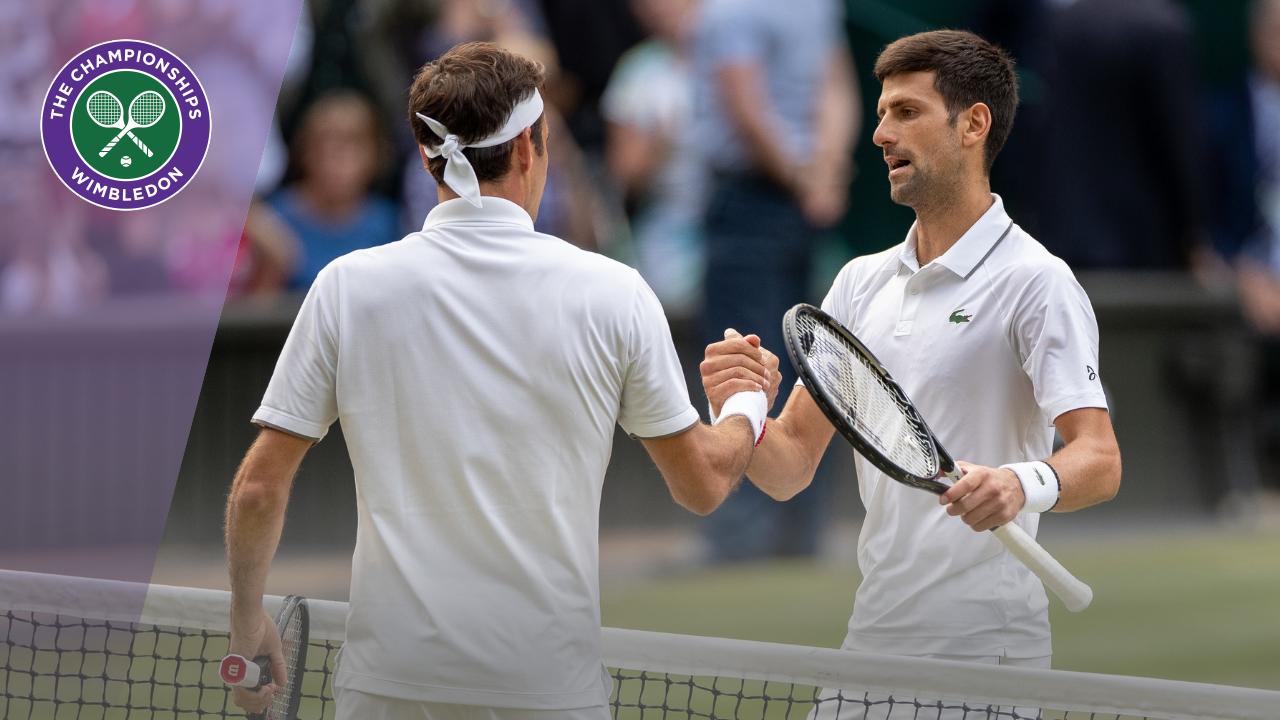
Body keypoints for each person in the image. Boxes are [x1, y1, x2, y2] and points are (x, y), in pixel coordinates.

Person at [224, 42, 771, 720]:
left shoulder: (346, 288)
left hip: (388, 688)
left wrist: (246, 626)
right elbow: (703, 485)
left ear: (427, 160)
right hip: (548, 690)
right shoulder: (616, 293)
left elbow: (256, 489)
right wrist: (745, 400)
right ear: (528, 151)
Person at [701, 29, 1121, 691]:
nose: (880, 135)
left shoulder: (1037, 282)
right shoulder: (859, 283)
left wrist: (1019, 483)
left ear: (972, 125)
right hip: (871, 643)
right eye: (880, 114)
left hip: (988, 657)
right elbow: (788, 470)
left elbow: (1100, 458)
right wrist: (742, 405)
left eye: (906, 112)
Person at [690, 0, 859, 562]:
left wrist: (802, 176)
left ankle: (738, 540)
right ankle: (798, 537)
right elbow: (837, 91)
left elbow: (745, 103)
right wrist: (824, 176)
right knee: (811, 363)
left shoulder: (728, 11)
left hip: (751, 199)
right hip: (805, 203)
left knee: (739, 362)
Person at [267, 91, 400, 290]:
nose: (337, 159)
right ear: (305, 152)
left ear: (375, 155)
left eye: (351, 145)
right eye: (325, 145)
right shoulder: (274, 219)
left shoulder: (387, 223)